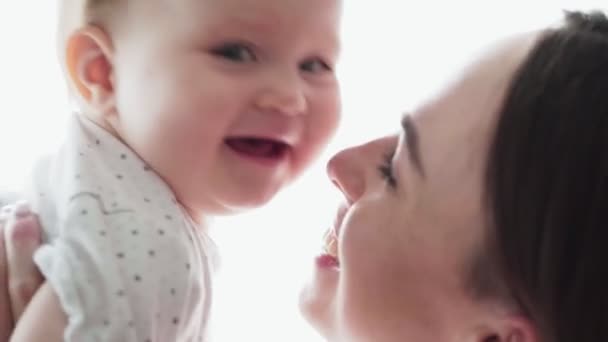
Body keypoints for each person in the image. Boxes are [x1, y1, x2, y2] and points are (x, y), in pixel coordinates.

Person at [3, 8, 608, 342]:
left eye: (395, 173)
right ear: (100, 73)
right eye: (235, 52)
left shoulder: (155, 259)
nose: (339, 167)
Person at [1, 0, 342, 340]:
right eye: (235, 53)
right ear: (103, 72)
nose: (289, 96)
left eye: (314, 65)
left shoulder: (94, 183)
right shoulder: (146, 253)